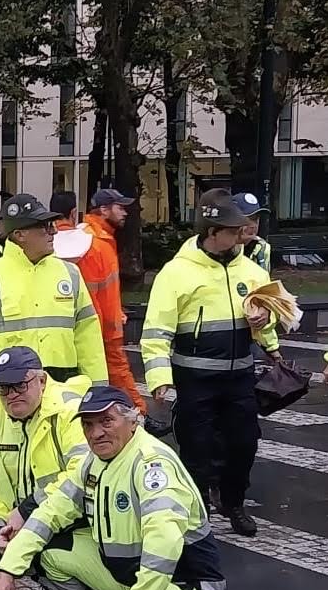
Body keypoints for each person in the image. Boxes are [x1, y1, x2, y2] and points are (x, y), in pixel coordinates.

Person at [0, 387, 223, 590]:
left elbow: (164, 543)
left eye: (106, 421)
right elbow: (49, 513)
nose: (96, 433)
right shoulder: (92, 463)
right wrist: (7, 569)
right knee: (46, 551)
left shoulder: (152, 465)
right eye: (88, 425)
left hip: (186, 584)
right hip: (128, 575)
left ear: (133, 421)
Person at [141, 189, 278, 537]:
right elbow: (156, 331)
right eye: (233, 230)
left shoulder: (251, 270)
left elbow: (273, 319)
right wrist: (159, 377)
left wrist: (265, 323)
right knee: (197, 449)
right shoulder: (176, 273)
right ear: (212, 232)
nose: (241, 234)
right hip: (195, 378)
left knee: (244, 444)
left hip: (239, 378)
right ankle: (195, 508)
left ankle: (233, 503)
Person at [0, 193, 107, 408]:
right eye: (45, 226)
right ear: (20, 234)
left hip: (63, 391)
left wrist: (98, 391)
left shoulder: (70, 273)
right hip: (9, 393)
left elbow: (88, 337)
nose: (53, 231)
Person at [0, 348, 89, 590]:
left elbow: (82, 474)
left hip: (72, 517)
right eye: (3, 388)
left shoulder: (70, 410)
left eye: (20, 385)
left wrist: (27, 511)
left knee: (48, 552)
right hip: (17, 519)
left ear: (41, 381)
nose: (11, 395)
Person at [74, 189, 144, 413]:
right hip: (103, 331)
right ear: (104, 210)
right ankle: (139, 413)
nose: (125, 212)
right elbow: (92, 292)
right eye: (119, 207)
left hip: (103, 327)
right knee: (116, 374)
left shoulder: (98, 239)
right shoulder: (95, 243)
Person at [233, 192, 272, 272]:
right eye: (248, 219)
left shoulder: (262, 247)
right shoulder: (220, 247)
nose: (253, 225)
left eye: (256, 219)